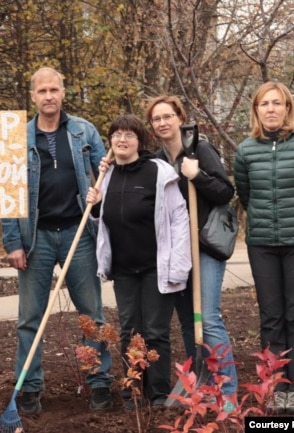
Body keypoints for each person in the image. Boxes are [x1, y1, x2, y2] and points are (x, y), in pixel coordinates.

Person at [1, 66, 113, 414]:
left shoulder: (84, 131)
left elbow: (107, 174)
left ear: (63, 92)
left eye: (54, 90)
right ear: (33, 96)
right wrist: (11, 242)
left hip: (78, 235)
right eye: (42, 91)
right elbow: (9, 192)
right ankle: (30, 387)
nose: (49, 96)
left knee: (91, 314)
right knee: (30, 317)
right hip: (36, 238)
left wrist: (100, 198)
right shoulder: (18, 139)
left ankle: (98, 382)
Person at [86, 114, 191, 408]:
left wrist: (179, 264)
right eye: (116, 134)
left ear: (139, 141)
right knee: (130, 331)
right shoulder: (106, 175)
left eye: (129, 135)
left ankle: (158, 393)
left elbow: (178, 218)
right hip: (123, 268)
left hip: (155, 265)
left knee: (156, 331)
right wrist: (94, 208)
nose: (122, 140)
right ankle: (134, 390)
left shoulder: (158, 172)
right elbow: (102, 222)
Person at [233, 82, 294, 414]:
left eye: (277, 103)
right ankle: (273, 384)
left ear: (288, 109)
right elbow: (246, 193)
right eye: (264, 104)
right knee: (271, 317)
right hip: (262, 244)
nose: (270, 109)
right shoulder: (245, 150)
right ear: (256, 110)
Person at [146, 95, 238, 410]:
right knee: (188, 320)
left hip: (205, 246)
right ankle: (198, 383)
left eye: (167, 116)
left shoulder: (200, 149)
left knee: (208, 317)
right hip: (177, 251)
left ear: (179, 118)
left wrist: (197, 175)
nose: (162, 123)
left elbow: (226, 192)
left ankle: (227, 391)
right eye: (156, 119)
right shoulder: (156, 161)